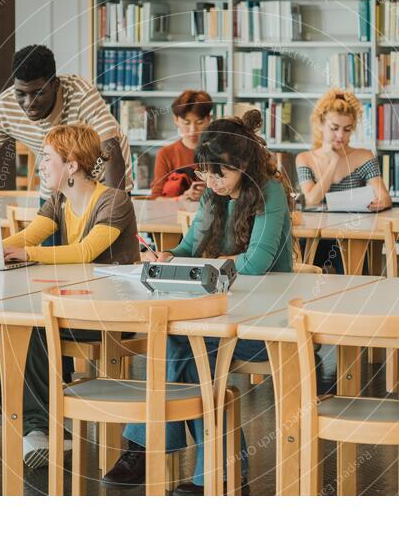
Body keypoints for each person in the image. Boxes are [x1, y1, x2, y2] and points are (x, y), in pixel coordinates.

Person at [102, 109, 295, 495]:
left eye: (218, 173)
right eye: (205, 172)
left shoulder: (270, 190)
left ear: (243, 164)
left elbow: (256, 263)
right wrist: (169, 257)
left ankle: (144, 446)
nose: (210, 182)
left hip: (267, 321)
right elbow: (190, 245)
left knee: (183, 343)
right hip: (222, 311)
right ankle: (218, 473)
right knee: (184, 342)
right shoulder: (214, 192)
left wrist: (196, 266)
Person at [0, 123, 139, 468]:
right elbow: (28, 237)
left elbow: (86, 251)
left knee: (39, 324)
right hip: (75, 308)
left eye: (47, 158)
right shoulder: (58, 201)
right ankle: (36, 431)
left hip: (114, 313)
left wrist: (30, 254)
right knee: (28, 319)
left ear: (72, 165)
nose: (41, 165)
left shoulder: (114, 201)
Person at [0, 44, 131, 245]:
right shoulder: (4, 108)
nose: (29, 102)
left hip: (103, 178)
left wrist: (114, 208)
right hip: (57, 181)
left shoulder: (80, 93)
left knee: (100, 254)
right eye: (21, 93)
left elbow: (111, 153)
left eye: (38, 93)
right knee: (49, 253)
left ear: (55, 84)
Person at [296, 89, 392, 271]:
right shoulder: (305, 159)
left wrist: (381, 202)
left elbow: (385, 197)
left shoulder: (364, 157)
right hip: (316, 235)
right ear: (320, 125)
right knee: (302, 265)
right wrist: (333, 162)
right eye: (334, 128)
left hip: (352, 233)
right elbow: (311, 199)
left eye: (347, 130)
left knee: (350, 265)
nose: (341, 135)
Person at [150, 90, 212, 201]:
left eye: (199, 122)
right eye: (186, 123)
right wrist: (181, 199)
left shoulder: (219, 152)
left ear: (209, 119)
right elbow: (155, 198)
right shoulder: (166, 154)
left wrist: (209, 194)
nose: (193, 130)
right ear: (176, 120)